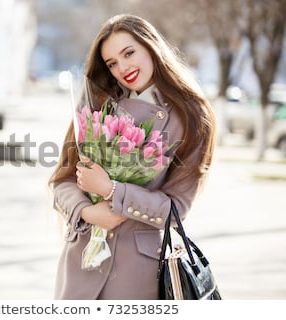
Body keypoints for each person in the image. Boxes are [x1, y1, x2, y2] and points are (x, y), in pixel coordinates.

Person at [48, 14, 216, 300]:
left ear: (150, 46)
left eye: (129, 53)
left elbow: (176, 209)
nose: (123, 67)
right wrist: (88, 211)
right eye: (112, 63)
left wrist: (113, 191)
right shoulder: (98, 101)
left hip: (137, 274)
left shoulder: (191, 117)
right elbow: (63, 181)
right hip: (81, 264)